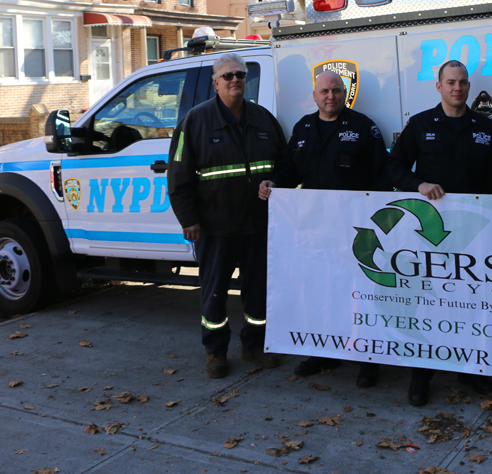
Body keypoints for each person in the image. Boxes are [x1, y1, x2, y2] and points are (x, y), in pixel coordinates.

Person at [388, 60, 492, 406]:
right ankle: (420, 376)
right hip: (431, 233)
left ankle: (470, 371)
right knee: (428, 304)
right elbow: (393, 168)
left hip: (474, 233)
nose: (457, 88)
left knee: (471, 303)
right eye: (450, 82)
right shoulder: (420, 124)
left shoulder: (485, 127)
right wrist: (419, 183)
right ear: (439, 86)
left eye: (463, 83)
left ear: (469, 87)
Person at [259, 71, 390, 387]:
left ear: (345, 93)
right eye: (324, 91)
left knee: (360, 294)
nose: (330, 96)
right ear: (314, 95)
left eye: (335, 90)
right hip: (316, 229)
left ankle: (367, 359)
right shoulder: (303, 128)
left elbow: (383, 176)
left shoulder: (362, 127)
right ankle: (323, 352)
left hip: (356, 230)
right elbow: (291, 169)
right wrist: (274, 182)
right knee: (322, 291)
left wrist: (379, 225)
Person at [167, 53, 287, 379]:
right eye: (228, 75)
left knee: (258, 293)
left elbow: (286, 165)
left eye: (240, 75)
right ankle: (215, 352)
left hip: (258, 226)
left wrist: (275, 181)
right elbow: (178, 175)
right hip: (214, 227)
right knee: (215, 293)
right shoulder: (194, 121)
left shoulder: (263, 120)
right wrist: (188, 219)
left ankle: (254, 346)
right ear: (216, 82)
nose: (235, 80)